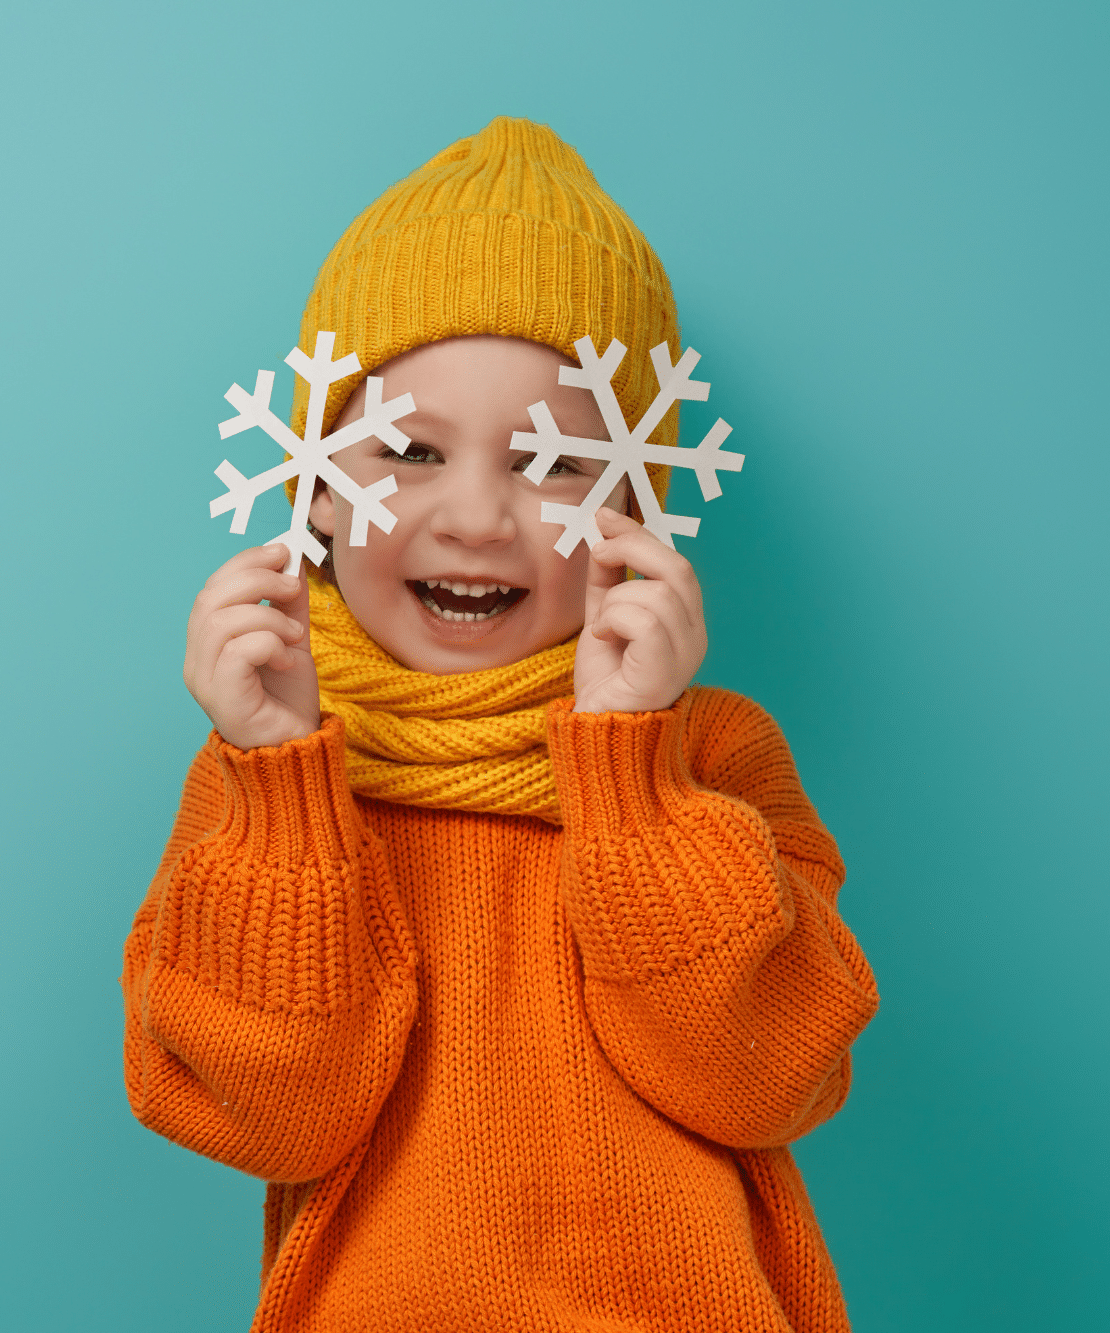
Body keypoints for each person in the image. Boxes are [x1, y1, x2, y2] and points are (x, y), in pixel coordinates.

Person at [121, 118, 880, 1332]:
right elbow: (271, 1115)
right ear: (311, 483)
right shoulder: (268, 778)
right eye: (409, 452)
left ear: (640, 499)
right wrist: (280, 780)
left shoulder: (714, 753)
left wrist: (631, 767)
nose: (474, 515)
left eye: (554, 463)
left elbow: (768, 1079)